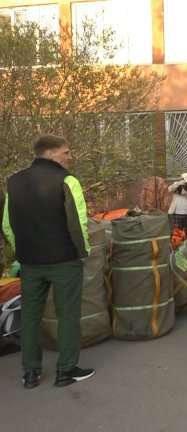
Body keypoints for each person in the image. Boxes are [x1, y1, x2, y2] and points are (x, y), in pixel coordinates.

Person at [2, 135, 94, 389]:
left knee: (31, 316)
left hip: (30, 262)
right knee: (68, 315)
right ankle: (66, 371)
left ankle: (30, 373)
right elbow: (78, 222)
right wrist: (83, 251)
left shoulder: (14, 182)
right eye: (66, 152)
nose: (69, 157)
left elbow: (7, 225)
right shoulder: (67, 181)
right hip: (64, 260)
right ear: (51, 153)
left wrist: (21, 252)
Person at [168, 172, 187, 238]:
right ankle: (176, 248)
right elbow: (170, 189)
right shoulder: (177, 185)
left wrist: (185, 191)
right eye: (185, 182)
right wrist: (179, 184)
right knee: (177, 235)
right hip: (176, 213)